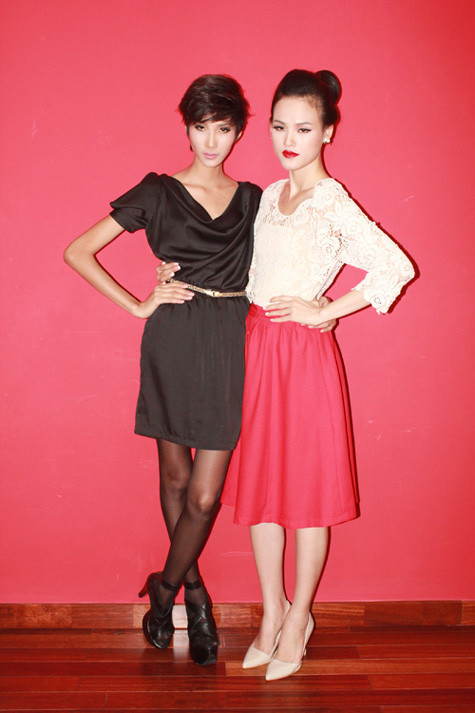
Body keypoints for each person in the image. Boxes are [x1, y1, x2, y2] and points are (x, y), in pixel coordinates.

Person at [220, 69, 415, 680]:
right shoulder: (268, 196)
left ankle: (299, 617)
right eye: (280, 127)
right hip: (257, 349)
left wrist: (327, 310)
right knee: (260, 492)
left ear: (328, 131)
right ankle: (271, 612)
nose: (288, 140)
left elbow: (394, 266)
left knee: (305, 494)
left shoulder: (331, 200)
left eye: (303, 129)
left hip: (303, 359)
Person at [64, 74, 263, 665]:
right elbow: (78, 250)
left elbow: (279, 267)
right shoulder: (156, 191)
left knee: (205, 497)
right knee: (176, 480)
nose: (211, 141)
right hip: (172, 337)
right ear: (187, 128)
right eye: (201, 127)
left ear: (238, 132)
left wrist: (318, 309)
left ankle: (166, 587)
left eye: (223, 128)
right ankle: (196, 596)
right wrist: (137, 303)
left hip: (229, 338)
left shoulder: (254, 199)